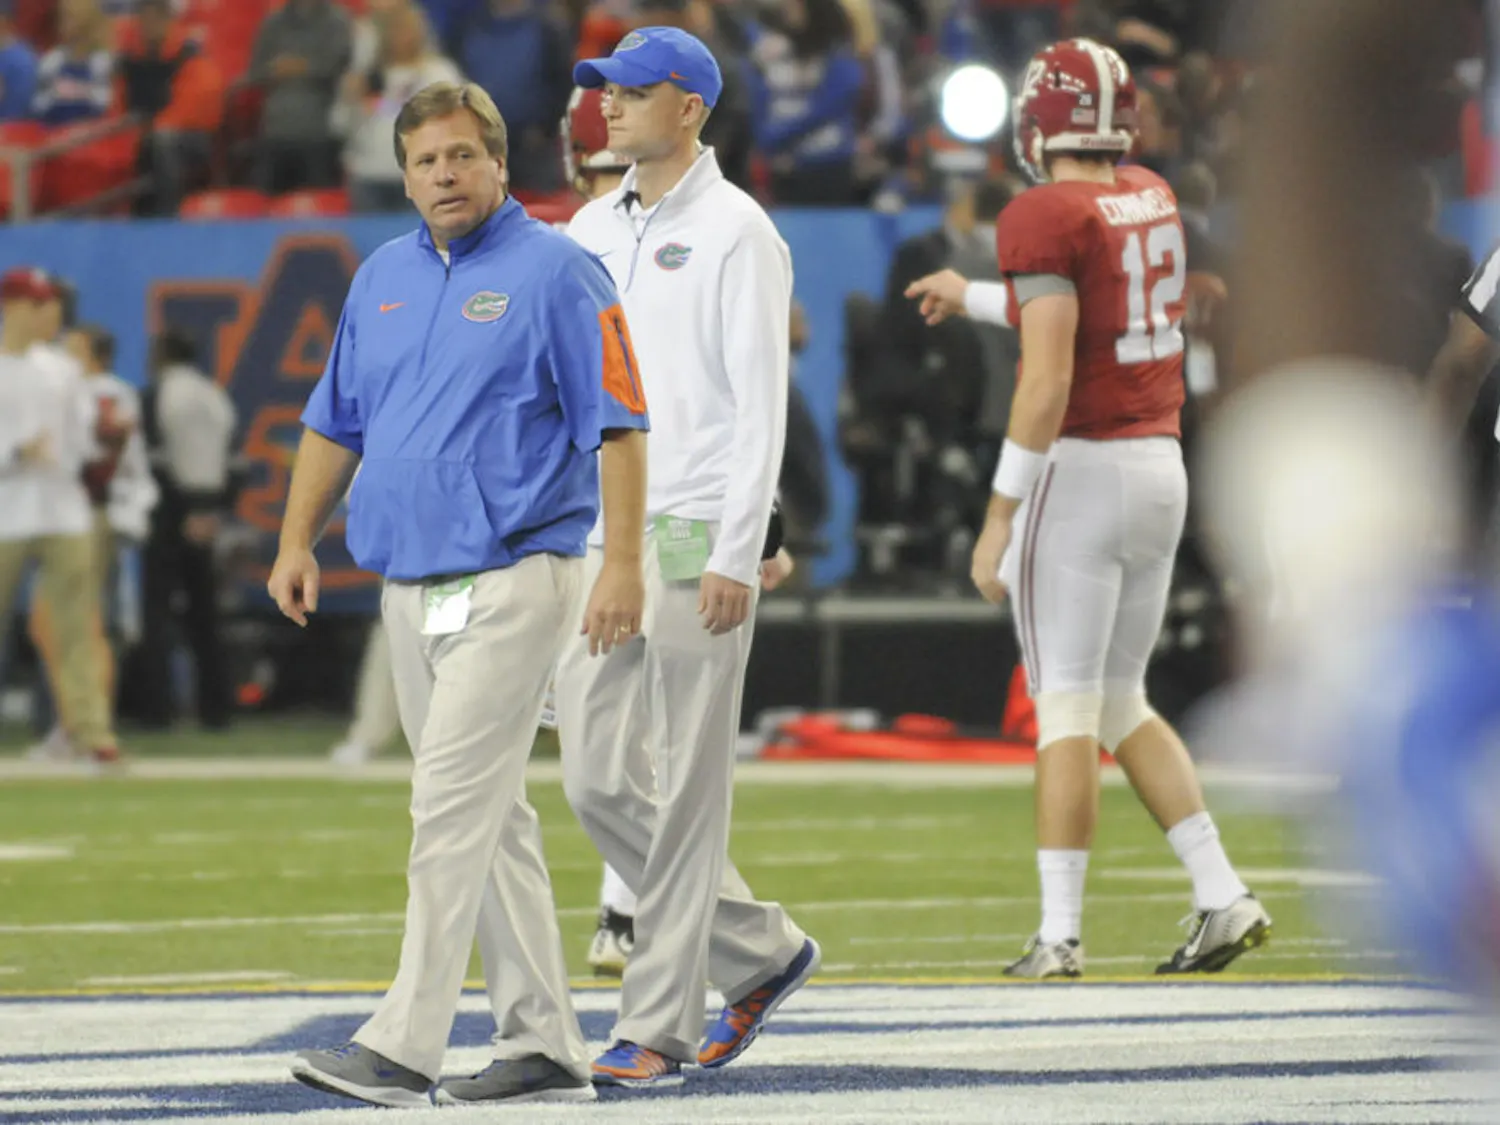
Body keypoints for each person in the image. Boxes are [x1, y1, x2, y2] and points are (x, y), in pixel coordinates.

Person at [273, 80, 649, 1109]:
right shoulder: (383, 276)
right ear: (404, 175)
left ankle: (405, 1043)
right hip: (409, 582)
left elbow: (619, 421)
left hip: (518, 572)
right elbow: (335, 418)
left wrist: (620, 562)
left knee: (444, 803)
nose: (443, 174)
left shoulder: (559, 272)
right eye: (425, 161)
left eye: (460, 156)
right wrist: (295, 537)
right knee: (494, 819)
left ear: (496, 163)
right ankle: (543, 1044)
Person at [904, 38, 1269, 979]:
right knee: (1118, 698)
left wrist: (998, 514)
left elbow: (1050, 372)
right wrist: (976, 294)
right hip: (1160, 469)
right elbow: (1086, 311)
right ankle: (1222, 892)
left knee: (1063, 700)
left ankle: (1059, 933)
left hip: (1082, 471)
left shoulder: (1041, 210)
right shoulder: (1149, 193)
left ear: (1041, 121)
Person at [561, 27, 817, 1089]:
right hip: (604, 532)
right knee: (591, 777)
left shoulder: (737, 231)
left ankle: (656, 1027)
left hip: (695, 524)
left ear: (692, 108)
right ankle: (759, 951)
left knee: (690, 786)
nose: (608, 107)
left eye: (631, 91)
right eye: (602, 90)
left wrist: (739, 545)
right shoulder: (583, 227)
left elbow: (761, 403)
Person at [0, 268, 120, 766]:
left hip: (63, 509)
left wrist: (100, 447)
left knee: (76, 626)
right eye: (41, 305)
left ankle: (91, 734)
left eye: (53, 304)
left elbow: (79, 443)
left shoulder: (64, 370)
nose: (52, 314)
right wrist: (13, 451)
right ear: (15, 308)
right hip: (6, 510)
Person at [27, 323, 156, 761]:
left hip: (86, 512)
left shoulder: (98, 392)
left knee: (73, 623)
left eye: (73, 348)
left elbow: (102, 458)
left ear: (94, 355)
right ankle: (80, 725)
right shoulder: (99, 390)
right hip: (86, 512)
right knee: (65, 623)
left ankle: (82, 727)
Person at [134, 328, 237, 731]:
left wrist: (183, 512)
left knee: (157, 616)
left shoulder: (157, 395)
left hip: (169, 511)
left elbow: (154, 460)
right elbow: (235, 460)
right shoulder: (215, 396)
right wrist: (212, 511)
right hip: (208, 513)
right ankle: (217, 711)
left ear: (161, 353)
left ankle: (157, 713)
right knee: (206, 617)